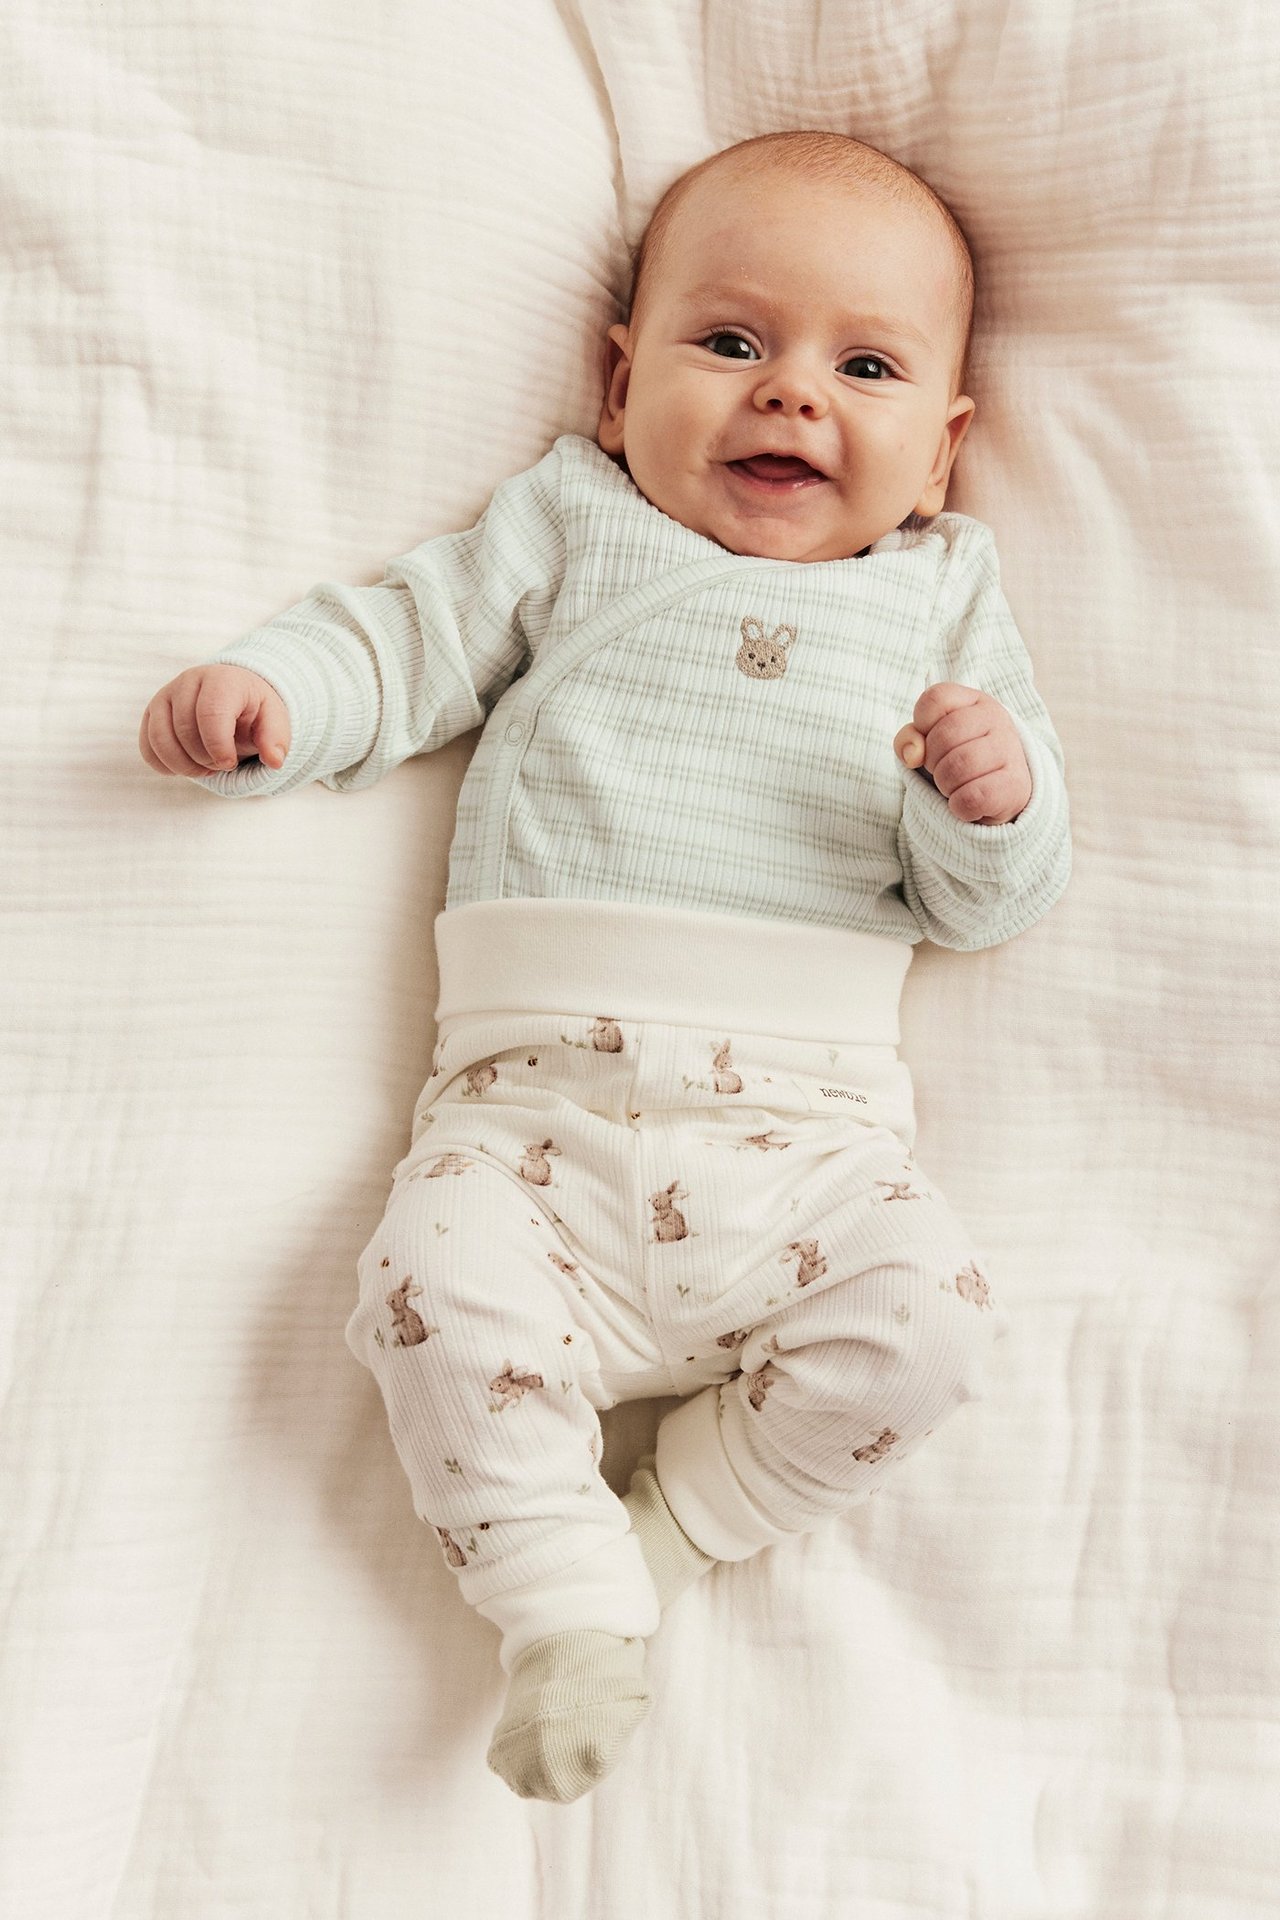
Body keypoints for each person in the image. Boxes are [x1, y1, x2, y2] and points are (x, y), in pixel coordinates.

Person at [138, 130, 1071, 1803]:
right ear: (618, 378)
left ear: (940, 454)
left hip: (811, 1148)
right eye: (733, 344)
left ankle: (679, 1521)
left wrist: (992, 795)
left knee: (934, 1326)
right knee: (425, 1289)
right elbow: (401, 638)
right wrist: (282, 697)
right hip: (531, 1119)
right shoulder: (572, 522)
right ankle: (563, 1600)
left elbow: (986, 902)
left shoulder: (941, 596)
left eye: (863, 367)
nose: (792, 397)